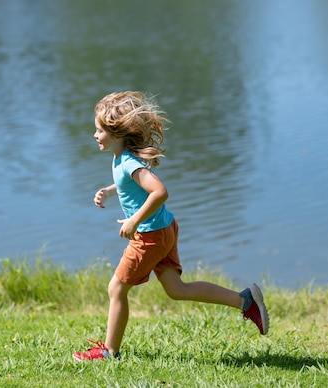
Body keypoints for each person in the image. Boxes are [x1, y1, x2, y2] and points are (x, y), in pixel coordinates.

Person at [73, 91, 269, 361]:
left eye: (99, 130)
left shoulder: (128, 161)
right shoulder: (121, 158)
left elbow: (160, 192)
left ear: (117, 134)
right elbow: (131, 186)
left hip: (150, 235)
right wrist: (109, 191)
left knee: (116, 289)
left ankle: (109, 352)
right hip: (164, 229)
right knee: (177, 290)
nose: (95, 135)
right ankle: (244, 300)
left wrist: (134, 220)